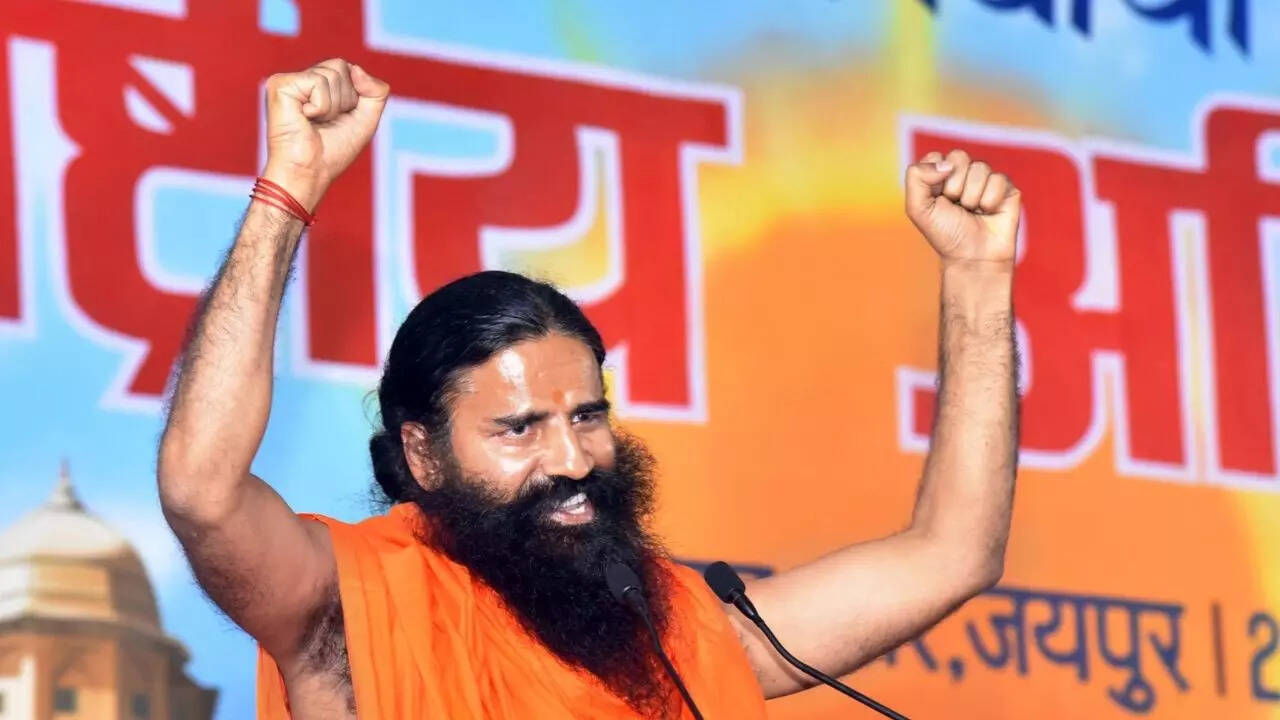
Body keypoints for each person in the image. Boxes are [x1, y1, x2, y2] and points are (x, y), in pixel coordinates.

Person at [158, 58, 1020, 719]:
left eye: (587, 416)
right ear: (423, 453)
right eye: (519, 428)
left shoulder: (676, 634)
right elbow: (202, 491)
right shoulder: (342, 611)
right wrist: (288, 192)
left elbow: (952, 554)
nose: (572, 459)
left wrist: (979, 279)